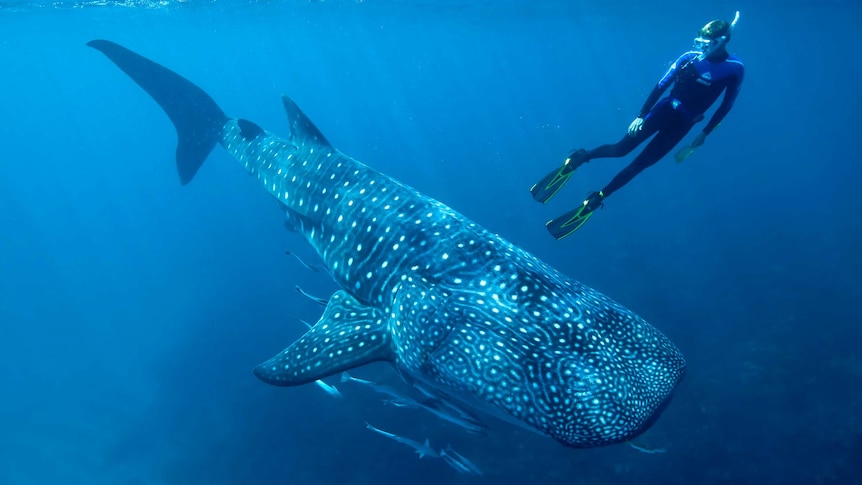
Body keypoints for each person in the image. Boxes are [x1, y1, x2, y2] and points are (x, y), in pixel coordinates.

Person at [531, 13, 745, 240]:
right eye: (699, 42)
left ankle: (598, 198)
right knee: (620, 150)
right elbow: (661, 85)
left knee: (641, 165)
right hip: (662, 112)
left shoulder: (734, 68)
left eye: (706, 43)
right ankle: (581, 158)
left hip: (684, 124)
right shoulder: (689, 58)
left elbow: (726, 105)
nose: (701, 47)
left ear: (721, 41)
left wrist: (704, 133)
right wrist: (641, 115)